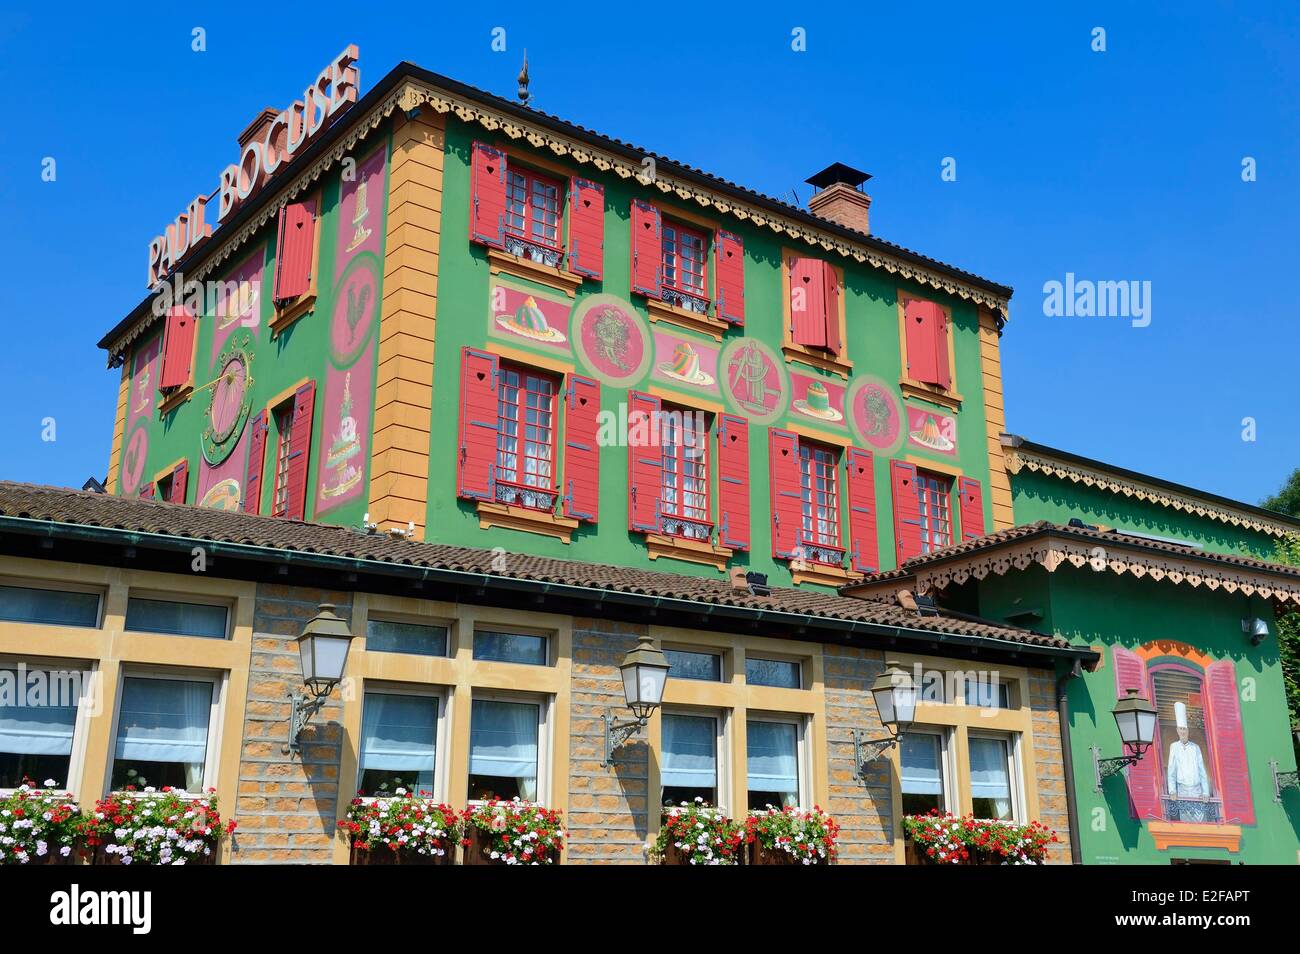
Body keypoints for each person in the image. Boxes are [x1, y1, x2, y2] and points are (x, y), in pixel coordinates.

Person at [1165, 701, 1212, 821]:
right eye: (1181, 729)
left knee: (1201, 824)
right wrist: (1172, 791)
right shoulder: (1174, 747)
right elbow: (1171, 771)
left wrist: (1206, 792)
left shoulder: (1195, 748)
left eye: (1185, 729)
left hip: (1197, 791)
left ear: (1188, 731)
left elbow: (1202, 771)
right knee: (1187, 824)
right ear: (1177, 730)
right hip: (1182, 791)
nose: (1183, 732)